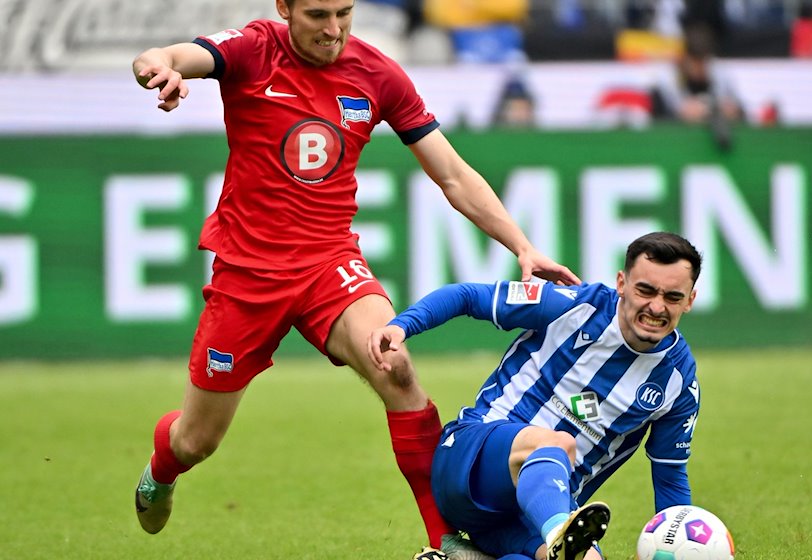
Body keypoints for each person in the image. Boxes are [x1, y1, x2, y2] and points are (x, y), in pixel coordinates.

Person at [129, 1, 580, 559]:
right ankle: (161, 469)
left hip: (328, 265)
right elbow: (168, 55)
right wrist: (160, 68)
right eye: (318, 14)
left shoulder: (378, 73)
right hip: (248, 275)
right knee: (196, 441)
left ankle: (444, 539)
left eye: (344, 12)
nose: (334, 28)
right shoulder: (252, 48)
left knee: (395, 364)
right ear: (284, 8)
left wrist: (522, 245)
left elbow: (453, 174)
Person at [370, 232, 704, 560]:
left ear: (689, 300)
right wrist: (403, 326)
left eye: (673, 297)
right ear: (622, 283)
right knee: (557, 444)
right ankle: (560, 531)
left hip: (524, 518)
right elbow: (469, 296)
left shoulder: (678, 382)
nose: (656, 307)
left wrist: (675, 543)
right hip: (470, 460)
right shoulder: (571, 305)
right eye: (645, 290)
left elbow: (670, 476)